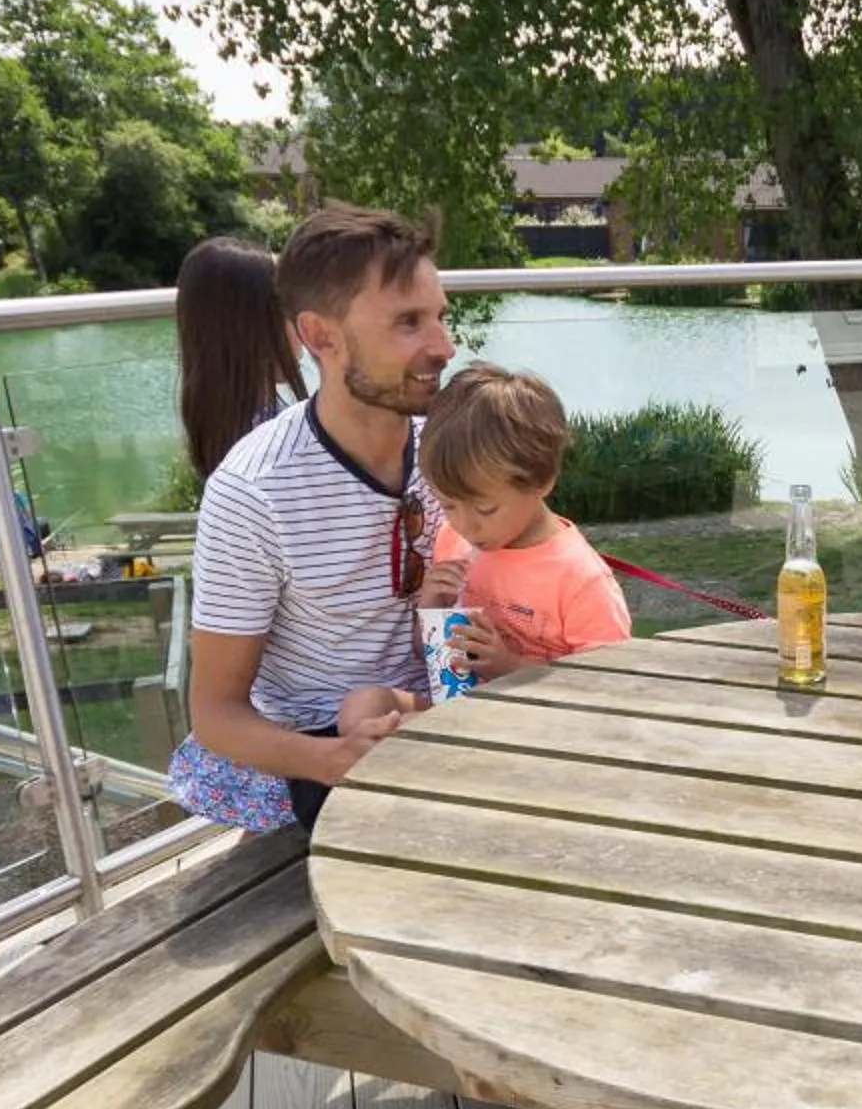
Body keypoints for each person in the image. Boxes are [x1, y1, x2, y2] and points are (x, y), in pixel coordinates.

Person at [183, 203, 454, 830]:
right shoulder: (253, 492)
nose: (444, 345)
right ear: (321, 336)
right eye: (409, 323)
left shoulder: (449, 441)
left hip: (445, 709)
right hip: (327, 744)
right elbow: (216, 713)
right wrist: (336, 758)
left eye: (441, 315)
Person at [417, 361, 633, 679]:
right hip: (464, 713)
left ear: (541, 481)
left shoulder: (578, 579)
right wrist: (432, 608)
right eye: (448, 505)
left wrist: (510, 668)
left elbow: (607, 684)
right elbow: (440, 666)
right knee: (368, 703)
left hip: (539, 724)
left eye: (486, 509)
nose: (465, 525)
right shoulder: (453, 541)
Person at [175, 236, 304, 483]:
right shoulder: (274, 440)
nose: (301, 324)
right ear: (254, 329)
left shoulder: (217, 426)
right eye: (288, 310)